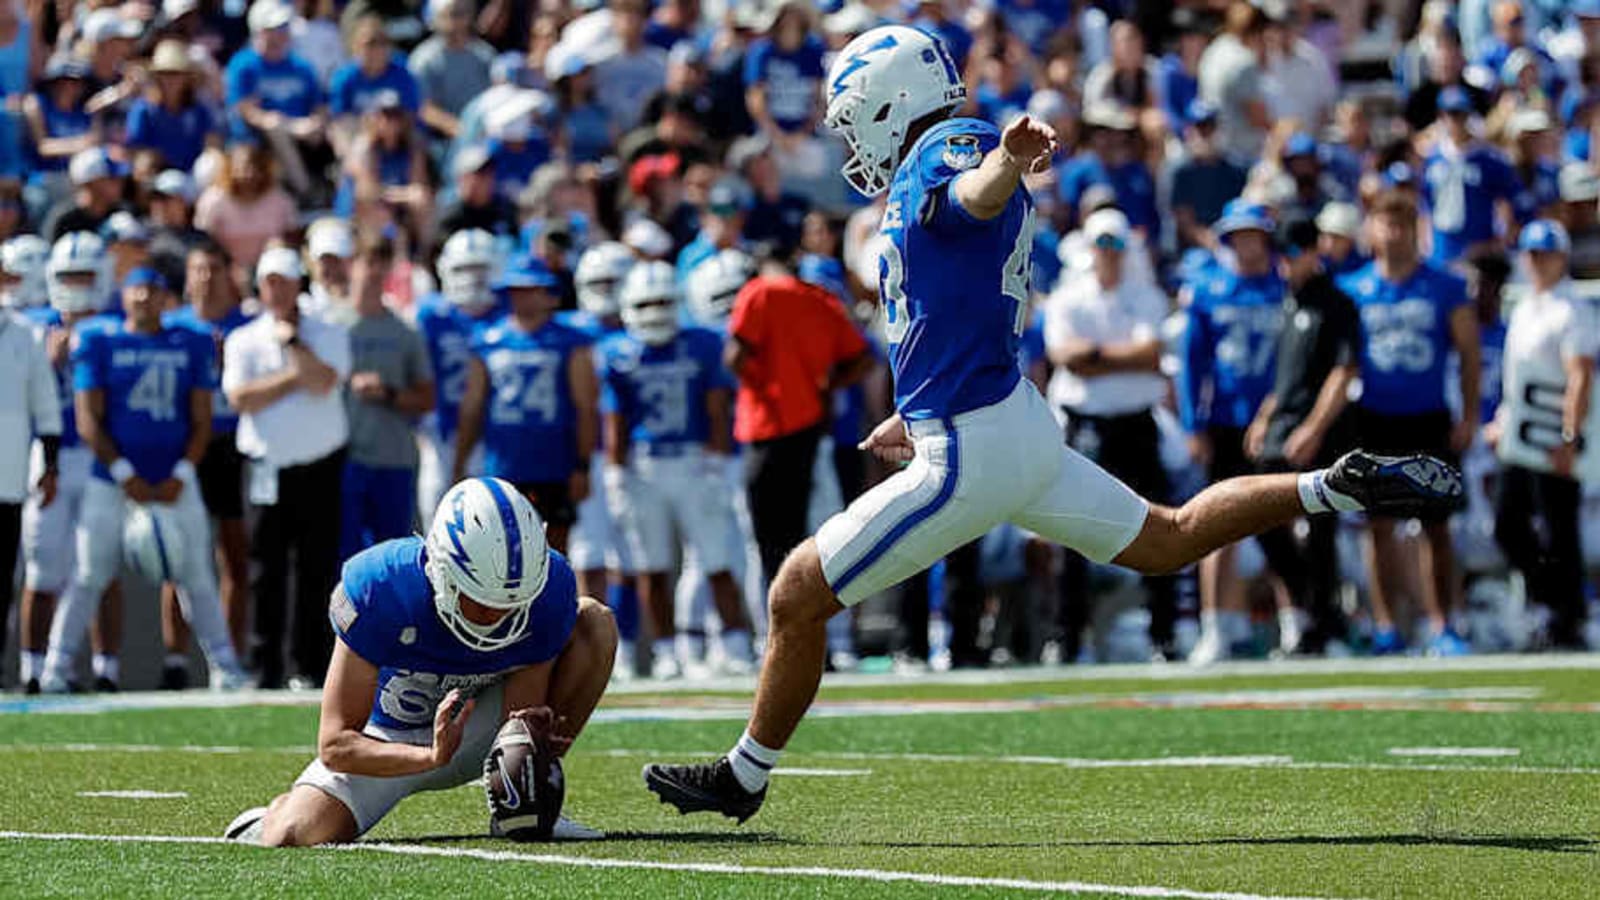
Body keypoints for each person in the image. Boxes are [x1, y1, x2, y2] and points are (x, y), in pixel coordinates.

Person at [642, 26, 1462, 823]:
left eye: (857, 118)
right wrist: (914, 407)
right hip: (1009, 423)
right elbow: (952, 303)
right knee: (1169, 537)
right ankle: (1333, 486)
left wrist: (1004, 160)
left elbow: (975, 194)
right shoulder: (945, 155)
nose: (853, 140)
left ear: (894, 103)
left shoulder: (950, 149)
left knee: (796, 594)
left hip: (971, 447)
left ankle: (743, 777)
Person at [223, 477, 617, 846]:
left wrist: (527, 750)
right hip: (386, 737)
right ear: (442, 572)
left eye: (513, 603)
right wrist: (428, 757)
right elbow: (336, 744)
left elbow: (519, 720)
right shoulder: (380, 586)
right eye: (481, 601)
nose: (500, 616)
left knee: (594, 624)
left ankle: (521, 803)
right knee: (294, 832)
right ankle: (272, 813)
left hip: (479, 725)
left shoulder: (548, 592)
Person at [40, 267, 248, 692]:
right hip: (110, 479)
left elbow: (202, 417)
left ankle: (226, 668)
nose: (143, 298)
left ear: (165, 299)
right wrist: (123, 472)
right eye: (136, 290)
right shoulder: (99, 339)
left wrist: (182, 471)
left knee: (197, 575)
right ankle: (54, 668)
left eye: (152, 290)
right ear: (123, 296)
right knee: (88, 574)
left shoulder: (189, 340)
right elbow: (87, 419)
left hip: (175, 478)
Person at [1339, 190, 1479, 656]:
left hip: (1429, 417)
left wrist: (1470, 414)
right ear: (1371, 229)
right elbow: (1340, 364)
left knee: (1436, 525)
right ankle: (1386, 626)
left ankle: (1443, 624)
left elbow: (1469, 353)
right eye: (1387, 222)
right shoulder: (1353, 288)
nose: (1395, 233)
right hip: (1374, 419)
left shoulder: (1444, 285)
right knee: (1378, 527)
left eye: (1404, 223)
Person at [600, 261, 752, 680]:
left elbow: (717, 406)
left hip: (693, 460)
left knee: (717, 559)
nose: (654, 312)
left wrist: (717, 460)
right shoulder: (617, 352)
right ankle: (668, 652)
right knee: (651, 565)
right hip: (644, 466)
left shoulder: (702, 342)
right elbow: (615, 419)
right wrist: (615, 473)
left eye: (663, 302)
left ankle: (734, 644)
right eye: (645, 304)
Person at [1044, 209, 1175, 660]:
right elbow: (1065, 357)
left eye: (1115, 244)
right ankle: (1068, 637)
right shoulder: (1068, 297)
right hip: (1087, 425)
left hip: (1137, 423)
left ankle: (1164, 634)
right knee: (1072, 529)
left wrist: (1095, 356)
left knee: (1159, 525)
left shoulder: (1146, 295)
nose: (1108, 253)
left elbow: (1151, 352)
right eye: (1101, 244)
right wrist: (1125, 357)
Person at [223, 246, 351, 689]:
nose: (277, 291)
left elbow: (326, 382)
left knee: (316, 567)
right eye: (270, 282)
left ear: (299, 284)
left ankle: (308, 666)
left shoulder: (328, 330)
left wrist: (294, 345)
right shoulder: (244, 339)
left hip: (319, 465)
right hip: (266, 466)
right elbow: (241, 398)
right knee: (265, 567)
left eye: (285, 282)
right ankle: (265, 666)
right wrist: (296, 375)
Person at [1178, 201, 1291, 665]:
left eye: (1253, 234)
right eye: (1239, 235)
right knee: (1217, 525)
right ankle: (1214, 626)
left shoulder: (1285, 287)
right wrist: (1193, 424)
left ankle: (1295, 621)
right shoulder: (1209, 290)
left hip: (1278, 422)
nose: (1247, 244)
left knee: (1281, 523)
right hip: (1225, 419)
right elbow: (1191, 363)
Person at [721, 243, 872, 591]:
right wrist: (825, 386)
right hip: (809, 426)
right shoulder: (822, 300)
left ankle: (779, 614)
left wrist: (761, 382)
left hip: (765, 424)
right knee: (800, 534)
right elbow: (862, 359)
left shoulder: (759, 292)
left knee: (766, 541)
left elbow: (734, 356)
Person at [1242, 216, 1361, 656]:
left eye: (1293, 254)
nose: (1285, 263)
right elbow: (1285, 378)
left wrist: (1314, 428)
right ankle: (1315, 609)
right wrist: (1263, 418)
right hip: (1283, 425)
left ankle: (1324, 626)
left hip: (1321, 432)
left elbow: (1343, 372)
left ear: (1313, 252)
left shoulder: (1337, 303)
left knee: (1321, 528)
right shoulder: (1288, 303)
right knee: (1261, 520)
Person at [19, 233, 120, 693]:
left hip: (100, 457)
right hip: (48, 456)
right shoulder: (29, 327)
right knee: (43, 568)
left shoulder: (116, 328)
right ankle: (33, 668)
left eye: (84, 276)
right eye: (68, 276)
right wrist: (46, 362)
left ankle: (106, 669)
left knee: (101, 568)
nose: (76, 285)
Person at [1493, 221, 1598, 650]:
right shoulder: (1525, 306)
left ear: (1562, 257)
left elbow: (1580, 376)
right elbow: (1518, 377)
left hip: (1552, 435)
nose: (1537, 263)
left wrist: (1570, 436)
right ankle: (1550, 601)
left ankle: (1568, 617)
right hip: (1522, 434)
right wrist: (1504, 419)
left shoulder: (1572, 309)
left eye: (1545, 255)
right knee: (1507, 523)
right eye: (1532, 255)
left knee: (1559, 528)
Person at [453, 256, 597, 554]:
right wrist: (460, 460)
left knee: (554, 553)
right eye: (517, 290)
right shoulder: (488, 340)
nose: (523, 297)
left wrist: (582, 465)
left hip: (554, 464)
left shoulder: (570, 341)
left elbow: (585, 405)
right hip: (504, 464)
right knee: (503, 553)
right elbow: (473, 405)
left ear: (547, 293)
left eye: (531, 289)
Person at [160, 242, 255, 683]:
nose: (206, 277)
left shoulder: (247, 326)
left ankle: (230, 659)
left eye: (215, 268)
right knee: (175, 556)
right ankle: (176, 660)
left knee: (233, 554)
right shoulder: (173, 326)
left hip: (232, 444)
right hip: (184, 446)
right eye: (198, 268)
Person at [324, 231, 434, 562]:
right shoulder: (329, 324)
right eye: (368, 261)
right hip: (342, 460)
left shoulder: (405, 331)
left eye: (382, 263)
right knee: (344, 560)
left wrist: (387, 393)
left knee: (392, 559)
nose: (374, 271)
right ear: (351, 264)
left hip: (393, 459)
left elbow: (427, 398)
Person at [0, 259, 62, 688]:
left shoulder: (25, 334)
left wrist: (50, 465)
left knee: (4, 579)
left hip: (8, 479)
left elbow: (46, 406)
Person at [415, 228, 502, 527]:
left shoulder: (508, 314)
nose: (472, 278)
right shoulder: (430, 314)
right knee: (436, 518)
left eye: (480, 268)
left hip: (493, 435)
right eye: (463, 269)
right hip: (440, 430)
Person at [1422, 87, 1532, 265]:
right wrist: (1426, 243)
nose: (1456, 121)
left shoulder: (1488, 158)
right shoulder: (1433, 158)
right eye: (1451, 114)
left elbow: (1512, 198)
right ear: (1441, 116)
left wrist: (1501, 239)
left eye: (1461, 114)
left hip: (1478, 249)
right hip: (1442, 248)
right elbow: (1425, 204)